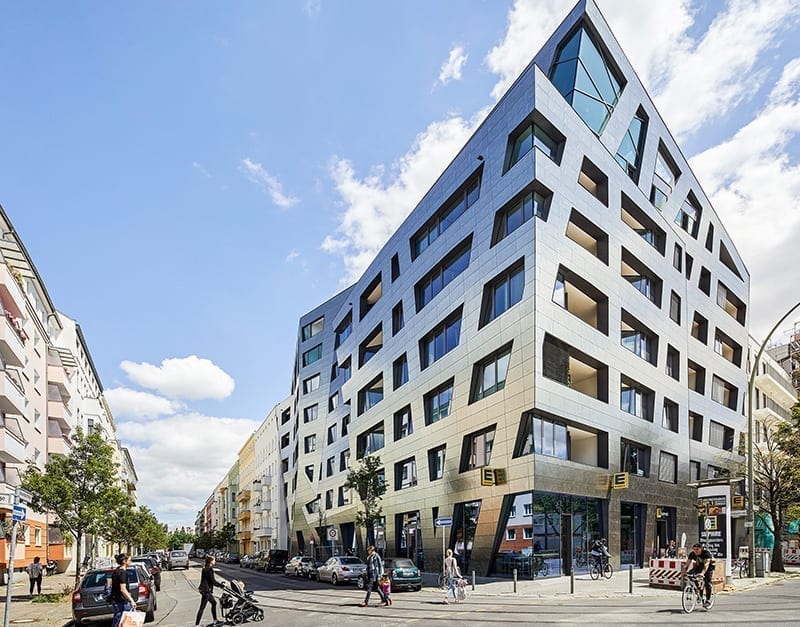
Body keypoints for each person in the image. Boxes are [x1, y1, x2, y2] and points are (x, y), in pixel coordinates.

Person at [196, 554, 226, 627]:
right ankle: (197, 625)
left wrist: (219, 585)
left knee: (214, 603)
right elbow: (213, 581)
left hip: (204, 589)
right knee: (202, 607)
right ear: (211, 561)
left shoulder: (205, 568)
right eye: (214, 560)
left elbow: (210, 581)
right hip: (206, 591)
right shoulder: (210, 569)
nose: (215, 561)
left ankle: (215, 620)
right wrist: (221, 585)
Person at [685, 543, 715, 607]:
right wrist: (684, 572)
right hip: (699, 566)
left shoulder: (706, 554)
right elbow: (687, 564)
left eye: (697, 549)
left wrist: (702, 573)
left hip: (709, 567)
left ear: (701, 549)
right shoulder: (692, 554)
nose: (695, 551)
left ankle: (708, 600)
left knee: (707, 582)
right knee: (691, 575)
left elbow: (706, 565)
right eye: (694, 549)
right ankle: (698, 591)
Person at [110, 554, 135, 627]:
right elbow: (123, 589)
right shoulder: (123, 573)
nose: (131, 562)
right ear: (124, 561)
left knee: (118, 622)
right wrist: (131, 600)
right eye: (129, 560)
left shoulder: (116, 571)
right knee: (123, 622)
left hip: (116, 600)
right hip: (122, 602)